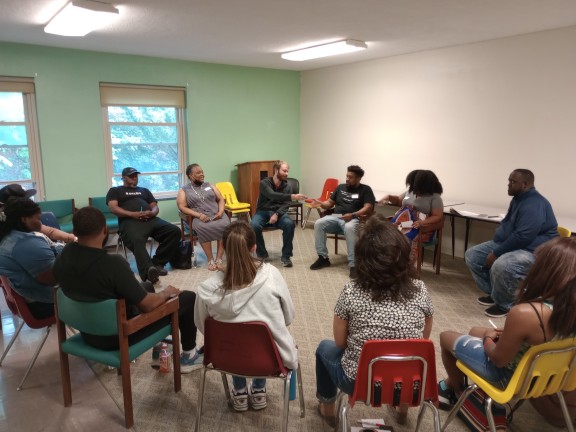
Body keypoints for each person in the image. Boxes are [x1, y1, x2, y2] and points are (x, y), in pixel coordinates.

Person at [315, 214, 434, 427]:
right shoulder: (420, 289)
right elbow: (423, 338)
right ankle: (402, 406)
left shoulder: (351, 291)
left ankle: (328, 409)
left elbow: (340, 343)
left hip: (359, 382)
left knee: (324, 348)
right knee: (408, 352)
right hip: (410, 383)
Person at [53, 206, 203, 373]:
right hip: (115, 337)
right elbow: (146, 305)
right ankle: (189, 357)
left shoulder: (63, 256)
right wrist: (166, 293)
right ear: (105, 230)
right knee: (187, 298)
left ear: (74, 231)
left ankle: (158, 349)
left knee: (146, 286)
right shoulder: (112, 264)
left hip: (88, 332)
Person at [438, 237, 576, 417]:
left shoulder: (527, 313)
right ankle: (450, 385)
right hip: (547, 377)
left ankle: (457, 392)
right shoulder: (565, 311)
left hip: (510, 379)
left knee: (446, 336)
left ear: (545, 271)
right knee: (473, 331)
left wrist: (488, 337)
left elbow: (498, 360)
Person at [194, 221, 298, 412]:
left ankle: (239, 390)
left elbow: (202, 326)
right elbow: (288, 317)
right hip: (269, 361)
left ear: (223, 247)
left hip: (224, 358)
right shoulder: (272, 276)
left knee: (233, 334)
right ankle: (258, 389)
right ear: (254, 247)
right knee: (268, 332)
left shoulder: (206, 289)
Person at [465, 169, 558, 318]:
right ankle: (496, 294)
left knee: (503, 265)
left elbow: (524, 236)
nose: (508, 185)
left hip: (534, 250)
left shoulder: (534, 203)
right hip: (515, 244)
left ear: (525, 184)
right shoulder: (519, 198)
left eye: (513, 182)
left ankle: (505, 305)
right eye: (509, 181)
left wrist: (496, 253)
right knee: (473, 255)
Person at [106, 167, 183, 284]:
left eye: (136, 176)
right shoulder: (115, 190)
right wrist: (133, 214)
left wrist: (152, 212)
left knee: (174, 231)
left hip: (151, 219)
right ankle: (148, 271)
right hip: (130, 221)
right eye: (131, 176)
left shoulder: (144, 190)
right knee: (136, 239)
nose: (134, 178)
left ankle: (157, 262)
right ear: (123, 178)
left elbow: (155, 206)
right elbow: (113, 208)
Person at [309, 165, 375, 278]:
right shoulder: (340, 187)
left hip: (353, 218)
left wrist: (353, 214)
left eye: (351, 177)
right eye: (347, 176)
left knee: (349, 228)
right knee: (319, 223)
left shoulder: (365, 189)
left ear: (359, 178)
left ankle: (354, 265)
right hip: (337, 216)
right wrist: (320, 203)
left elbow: (368, 207)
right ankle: (323, 258)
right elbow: (329, 203)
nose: (347, 179)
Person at [0, 197, 61, 319]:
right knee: (104, 292)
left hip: (31, 298)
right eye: (38, 219)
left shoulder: (9, 237)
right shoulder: (25, 243)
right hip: (44, 303)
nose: (41, 223)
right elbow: (51, 278)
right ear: (24, 219)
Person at [250, 160, 306, 267]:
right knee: (253, 225)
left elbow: (286, 204)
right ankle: (262, 254)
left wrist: (277, 214)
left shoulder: (287, 186)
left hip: (279, 213)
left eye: (287, 171)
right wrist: (291, 196)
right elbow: (272, 195)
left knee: (289, 224)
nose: (287, 173)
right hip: (263, 211)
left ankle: (286, 256)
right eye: (284, 171)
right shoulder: (264, 183)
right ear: (276, 170)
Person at [177, 164, 229, 271]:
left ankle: (219, 259)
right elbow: (182, 207)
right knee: (203, 227)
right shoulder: (184, 190)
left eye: (202, 172)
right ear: (191, 176)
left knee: (225, 225)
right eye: (198, 173)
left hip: (217, 215)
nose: (202, 174)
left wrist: (221, 211)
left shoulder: (209, 185)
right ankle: (210, 259)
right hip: (199, 217)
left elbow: (221, 199)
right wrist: (198, 215)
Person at [379, 169, 444, 242]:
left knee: (401, 238)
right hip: (402, 223)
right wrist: (389, 197)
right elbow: (398, 200)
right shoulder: (410, 192)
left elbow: (437, 216)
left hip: (420, 227)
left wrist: (422, 222)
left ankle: (400, 252)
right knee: (384, 232)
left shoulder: (435, 197)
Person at [0, 183, 76, 243]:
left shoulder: (26, 222)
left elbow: (50, 231)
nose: (30, 203)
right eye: (25, 201)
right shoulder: (15, 240)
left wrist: (73, 238)